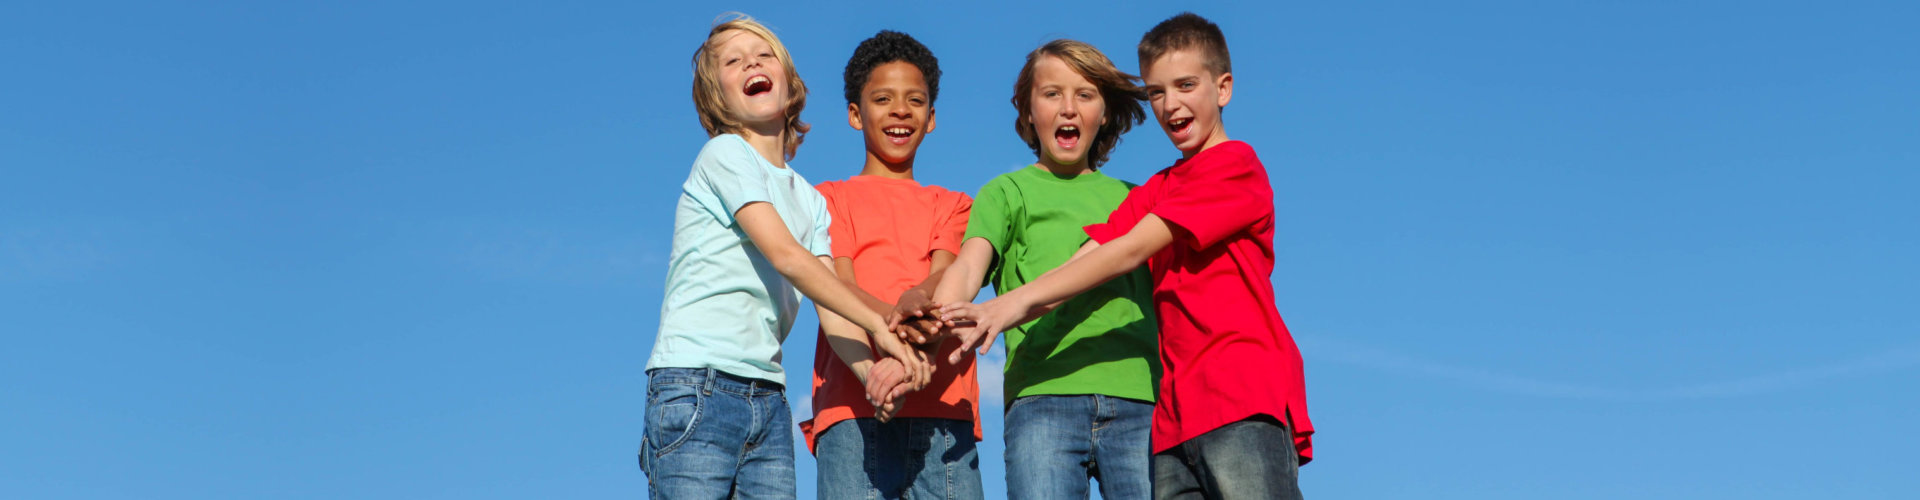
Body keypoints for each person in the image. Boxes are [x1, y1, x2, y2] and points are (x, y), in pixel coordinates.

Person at [939, 12, 1315, 499]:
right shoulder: (1157, 187)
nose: (1170, 104)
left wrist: (1009, 305)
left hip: (1239, 399)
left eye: (1185, 85)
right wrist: (989, 311)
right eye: (1157, 91)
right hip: (1174, 422)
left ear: (1223, 88)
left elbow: (1131, 248)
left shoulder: (1234, 166)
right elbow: (1088, 260)